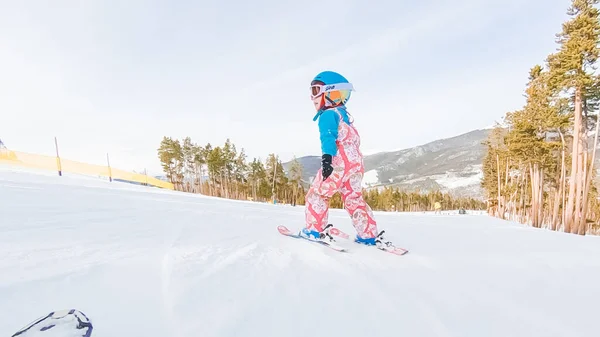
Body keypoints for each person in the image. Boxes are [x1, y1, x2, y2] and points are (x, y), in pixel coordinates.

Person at [300, 70, 394, 249]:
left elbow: (328, 137)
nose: (313, 97)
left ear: (327, 93)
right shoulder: (346, 118)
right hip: (355, 166)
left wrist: (327, 159)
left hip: (337, 164)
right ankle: (368, 234)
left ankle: (314, 229)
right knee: (354, 198)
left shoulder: (328, 114)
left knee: (318, 194)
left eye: (315, 91)